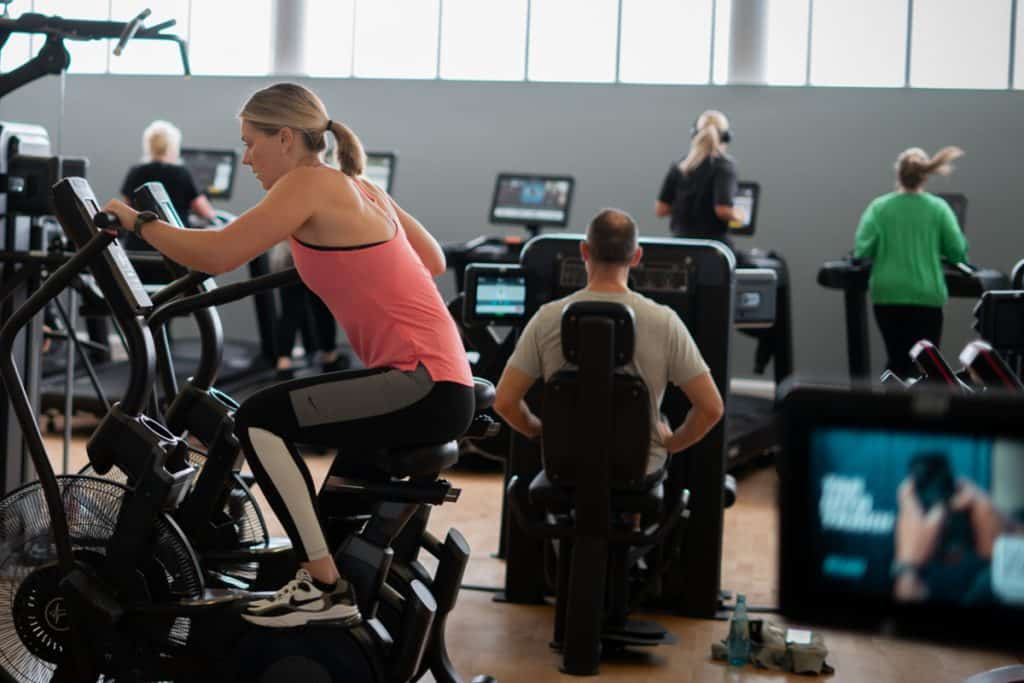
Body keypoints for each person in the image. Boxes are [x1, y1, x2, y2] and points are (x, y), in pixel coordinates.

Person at [102, 83, 474, 628]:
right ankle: (334, 570)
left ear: (284, 137)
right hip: (441, 378)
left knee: (258, 420)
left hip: (421, 382)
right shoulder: (357, 185)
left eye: (251, 143)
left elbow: (220, 253)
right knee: (331, 490)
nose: (246, 157)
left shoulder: (309, 184)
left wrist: (135, 221)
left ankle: (322, 585)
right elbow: (434, 260)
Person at [493, 208, 724, 484]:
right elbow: (711, 408)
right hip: (639, 469)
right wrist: (672, 442)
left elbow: (504, 401)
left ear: (584, 251)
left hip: (564, 466)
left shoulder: (547, 317)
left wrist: (539, 431)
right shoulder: (665, 321)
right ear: (636, 256)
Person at [853, 147, 968, 379]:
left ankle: (888, 412)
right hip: (926, 295)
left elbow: (862, 249)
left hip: (888, 295)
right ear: (925, 175)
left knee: (897, 361)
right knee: (927, 366)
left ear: (899, 174)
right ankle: (922, 413)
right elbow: (957, 252)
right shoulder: (939, 208)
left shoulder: (879, 207)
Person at [655, 109, 746, 250]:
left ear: (694, 134)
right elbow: (722, 209)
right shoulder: (724, 167)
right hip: (714, 249)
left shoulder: (679, 166)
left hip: (679, 246)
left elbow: (661, 209)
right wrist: (739, 215)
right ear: (726, 137)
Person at [120, 120, 217, 228]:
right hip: (171, 240)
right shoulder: (181, 173)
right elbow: (205, 212)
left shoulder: (136, 171)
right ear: (173, 146)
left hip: (139, 240)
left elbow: (126, 209)